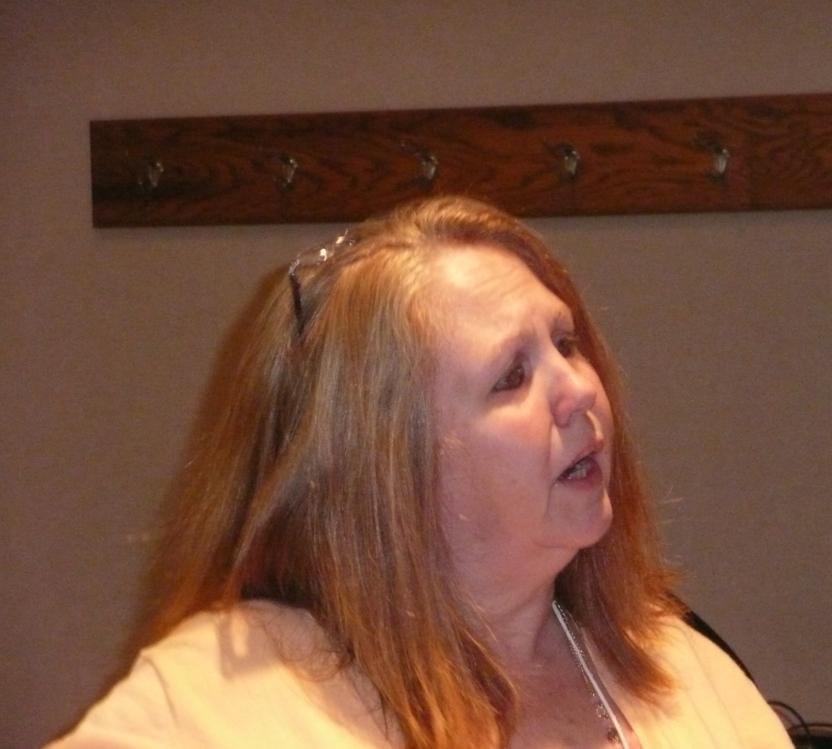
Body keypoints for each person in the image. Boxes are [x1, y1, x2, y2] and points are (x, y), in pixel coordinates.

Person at [51, 196, 791, 748]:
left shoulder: (682, 667)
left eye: (566, 342)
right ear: (390, 470)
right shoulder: (213, 701)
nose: (579, 389)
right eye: (511, 377)